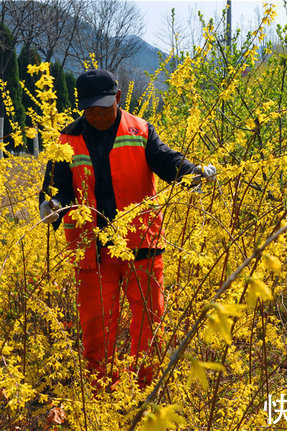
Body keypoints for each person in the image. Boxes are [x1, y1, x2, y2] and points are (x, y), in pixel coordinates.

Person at [38, 69, 216, 389]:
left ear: (118, 99)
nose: (98, 116)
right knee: (96, 327)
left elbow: (166, 161)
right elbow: (56, 187)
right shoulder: (66, 140)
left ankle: (143, 390)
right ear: (82, 107)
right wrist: (51, 206)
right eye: (91, 110)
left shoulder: (140, 130)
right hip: (93, 250)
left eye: (104, 109)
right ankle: (101, 392)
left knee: (149, 321)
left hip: (141, 243)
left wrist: (192, 174)